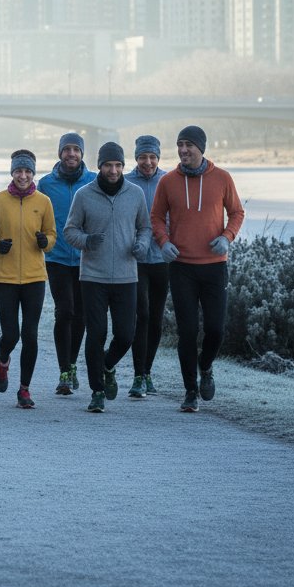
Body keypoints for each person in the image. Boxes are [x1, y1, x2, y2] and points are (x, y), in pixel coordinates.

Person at [150, 126, 245, 413]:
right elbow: (156, 216)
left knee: (216, 329)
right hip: (181, 268)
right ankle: (190, 391)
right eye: (179, 145)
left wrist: (227, 237)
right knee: (187, 331)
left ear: (201, 148)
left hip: (215, 268)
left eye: (189, 145)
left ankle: (206, 367)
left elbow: (237, 212)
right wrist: (163, 242)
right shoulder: (167, 181)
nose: (183, 150)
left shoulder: (222, 178)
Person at [63, 142, 151, 413]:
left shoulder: (135, 194)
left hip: (127, 277)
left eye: (117, 165)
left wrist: (142, 245)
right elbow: (70, 231)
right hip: (93, 277)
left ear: (123, 167)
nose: (113, 170)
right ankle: (97, 392)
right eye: (108, 165)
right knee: (96, 333)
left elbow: (145, 227)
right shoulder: (83, 195)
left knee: (126, 334)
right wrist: (88, 241)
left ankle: (107, 365)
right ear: (99, 166)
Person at [0, 149, 57, 409]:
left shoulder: (43, 201)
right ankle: (3, 362)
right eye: (18, 171)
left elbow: (52, 234)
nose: (23, 175)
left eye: (27, 171)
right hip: (5, 278)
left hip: (35, 277)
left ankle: (24, 389)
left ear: (33, 173)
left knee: (30, 335)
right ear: (12, 172)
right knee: (11, 335)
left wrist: (46, 243)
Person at [38, 133, 96, 395]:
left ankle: (72, 366)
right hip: (57, 257)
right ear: (60, 153)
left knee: (81, 315)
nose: (71, 154)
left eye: (76, 149)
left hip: (87, 258)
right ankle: (64, 371)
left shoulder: (94, 181)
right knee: (65, 311)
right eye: (67, 149)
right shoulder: (46, 184)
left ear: (82, 153)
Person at [124, 135, 170, 398]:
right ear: (136, 158)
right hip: (136, 259)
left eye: (152, 157)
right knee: (141, 314)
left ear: (158, 158)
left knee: (155, 318)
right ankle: (138, 375)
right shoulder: (127, 182)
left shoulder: (169, 180)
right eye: (143, 157)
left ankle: (147, 372)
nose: (148, 162)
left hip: (163, 260)